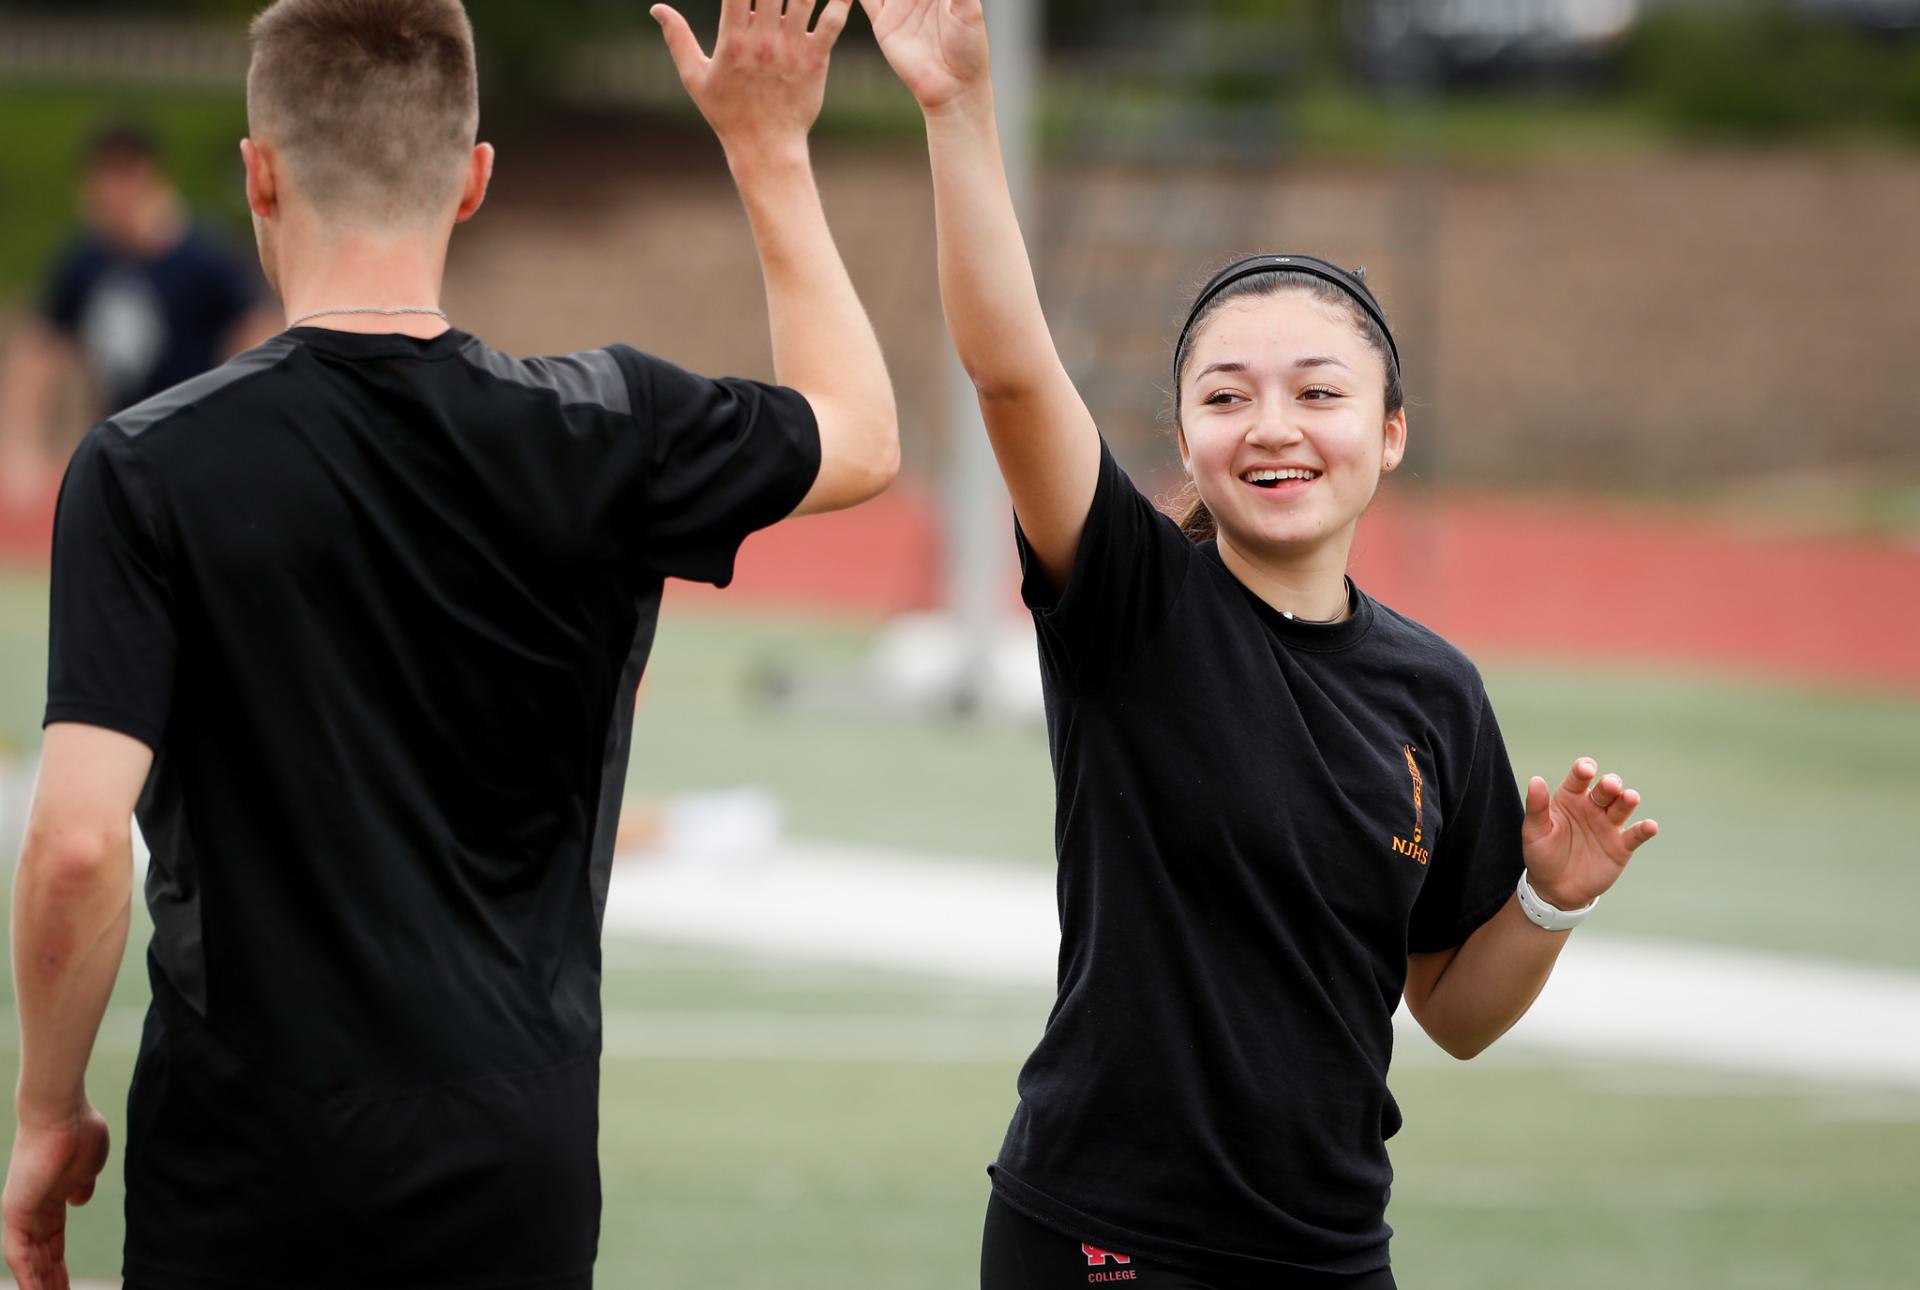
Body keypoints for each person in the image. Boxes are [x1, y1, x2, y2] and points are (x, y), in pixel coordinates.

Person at [1, 0, 893, 1287]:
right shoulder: (608, 425)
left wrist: (45, 1113)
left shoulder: (144, 466)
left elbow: (79, 843)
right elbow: (859, 433)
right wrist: (766, 151)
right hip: (510, 1139)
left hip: (247, 1143)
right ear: (474, 181)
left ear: (257, 170)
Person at [858, 3, 1659, 1287]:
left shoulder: (1435, 695)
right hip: (1105, 1237)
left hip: (1331, 1252)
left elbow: (1450, 1011)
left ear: (1390, 433)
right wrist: (958, 111)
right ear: (1184, 440)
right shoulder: (1133, 604)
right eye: (1226, 396)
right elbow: (1010, 374)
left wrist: (1547, 904)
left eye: (1318, 391)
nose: (1272, 424)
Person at [0, 122, 279, 512]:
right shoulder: (86, 261)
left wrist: (237, 429)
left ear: (144, 177)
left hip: (193, 447)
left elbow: (257, 334)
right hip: (120, 446)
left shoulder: (206, 258)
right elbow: (38, 349)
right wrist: (21, 446)